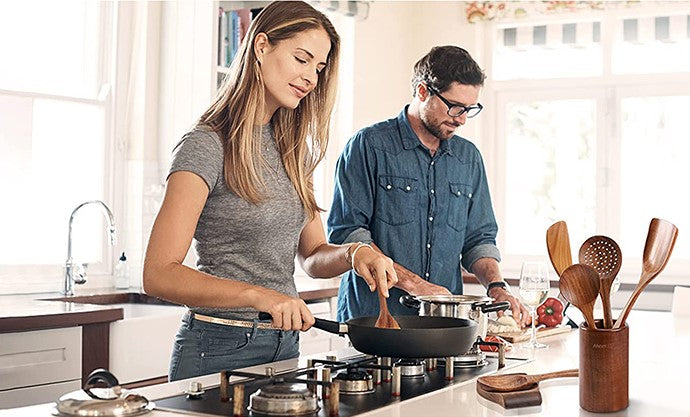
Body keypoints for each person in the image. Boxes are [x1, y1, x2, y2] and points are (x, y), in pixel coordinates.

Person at [143, 1, 397, 381]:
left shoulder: (294, 151)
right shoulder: (207, 145)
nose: (311, 77)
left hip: (284, 345)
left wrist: (354, 252)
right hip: (218, 346)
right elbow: (158, 273)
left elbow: (311, 256)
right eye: (302, 58)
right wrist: (258, 296)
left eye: (319, 67)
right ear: (261, 47)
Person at [327, 46, 530, 326]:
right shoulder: (368, 146)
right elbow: (348, 234)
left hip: (443, 325)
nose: (461, 118)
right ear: (423, 92)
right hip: (375, 321)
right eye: (455, 106)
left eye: (469, 109)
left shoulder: (468, 158)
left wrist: (497, 287)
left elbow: (478, 239)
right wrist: (416, 286)